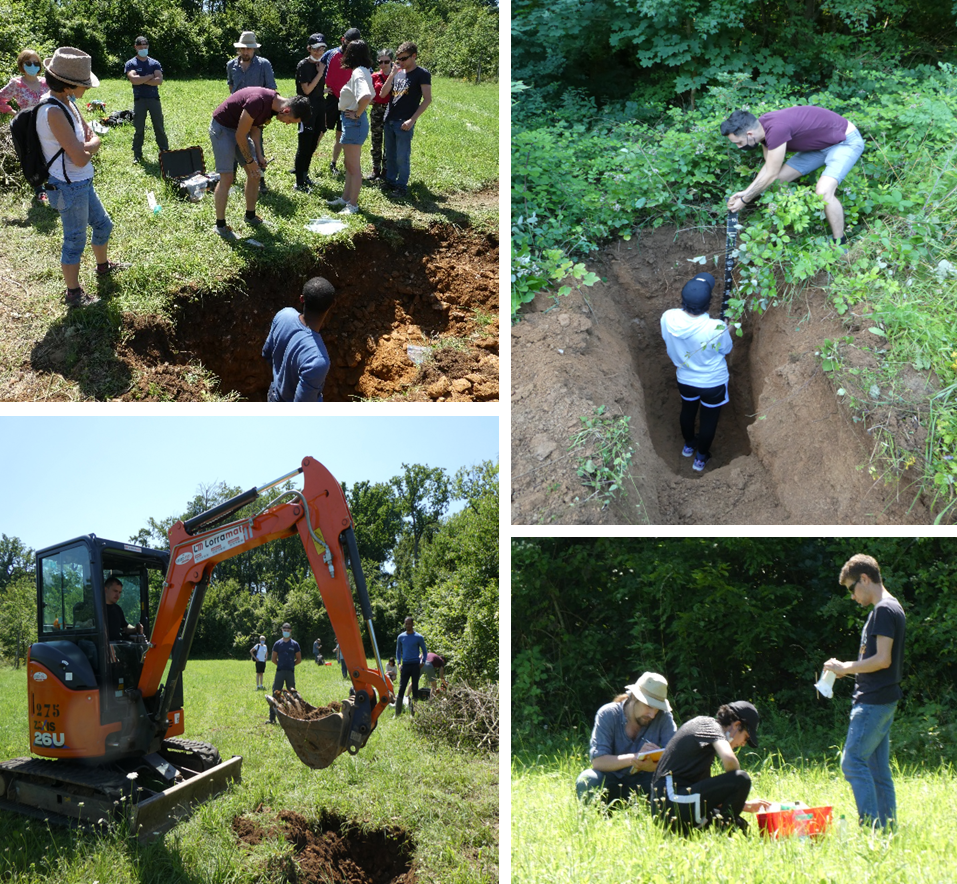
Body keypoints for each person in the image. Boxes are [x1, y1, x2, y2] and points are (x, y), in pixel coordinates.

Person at [39, 47, 127, 308]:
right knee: (74, 240)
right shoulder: (52, 111)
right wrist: (93, 146)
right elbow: (80, 156)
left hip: (82, 181)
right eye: (82, 85)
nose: (86, 89)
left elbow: (88, 135)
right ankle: (74, 294)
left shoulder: (69, 104)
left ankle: (103, 266)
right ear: (67, 85)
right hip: (68, 186)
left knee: (103, 225)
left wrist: (89, 144)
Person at [823, 553, 905, 831]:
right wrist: (844, 669)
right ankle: (887, 830)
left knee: (852, 762)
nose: (852, 596)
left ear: (865, 579)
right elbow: (878, 661)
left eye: (851, 589)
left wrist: (845, 667)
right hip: (883, 700)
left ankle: (871, 829)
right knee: (878, 772)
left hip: (872, 703)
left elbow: (883, 660)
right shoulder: (891, 608)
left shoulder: (883, 610)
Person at [720, 107, 865, 245]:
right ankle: (789, 221)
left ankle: (839, 243)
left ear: (750, 134)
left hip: (845, 141)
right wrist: (745, 192)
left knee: (823, 191)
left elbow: (771, 174)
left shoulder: (776, 129)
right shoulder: (762, 130)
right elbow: (770, 169)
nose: (739, 147)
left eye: (739, 142)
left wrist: (745, 200)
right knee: (777, 182)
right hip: (819, 146)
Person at [652, 701, 770, 834]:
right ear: (737, 725)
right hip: (671, 800)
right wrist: (736, 787)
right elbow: (730, 760)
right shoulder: (709, 725)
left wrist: (745, 805)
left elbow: (712, 798)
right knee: (741, 778)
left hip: (678, 802)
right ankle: (724, 836)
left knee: (741, 826)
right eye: (746, 737)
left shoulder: (705, 741)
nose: (743, 744)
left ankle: (704, 834)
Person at [209, 86, 310, 238]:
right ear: (287, 111)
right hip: (223, 128)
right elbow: (240, 136)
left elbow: (255, 129)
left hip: (239, 130)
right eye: (290, 121)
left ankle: (250, 216)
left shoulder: (274, 106)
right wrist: (250, 161)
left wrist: (258, 155)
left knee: (255, 174)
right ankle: (220, 226)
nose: (287, 124)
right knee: (227, 178)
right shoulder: (258, 101)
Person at [660, 272, 733, 472]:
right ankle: (700, 458)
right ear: (708, 303)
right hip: (713, 383)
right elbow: (726, 350)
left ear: (682, 300)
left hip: (685, 378)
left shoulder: (668, 317)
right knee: (709, 419)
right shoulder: (715, 327)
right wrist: (726, 329)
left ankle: (689, 445)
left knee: (688, 410)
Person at [576, 672, 677, 806]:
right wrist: (635, 758)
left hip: (646, 781)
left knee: (674, 781)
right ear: (634, 697)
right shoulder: (608, 714)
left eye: (657, 708)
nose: (652, 714)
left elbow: (675, 760)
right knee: (587, 779)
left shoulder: (664, 717)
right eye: (649, 706)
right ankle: (600, 814)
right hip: (611, 780)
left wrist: (651, 766)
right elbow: (598, 761)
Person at [262, 276, 336, 402]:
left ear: (302, 299)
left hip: (273, 394)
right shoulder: (318, 360)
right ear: (332, 305)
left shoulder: (284, 314)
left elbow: (266, 353)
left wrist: (282, 377)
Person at [379, 41, 432, 197]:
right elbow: (382, 94)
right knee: (390, 155)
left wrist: (412, 120)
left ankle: (401, 186)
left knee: (402, 156)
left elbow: (427, 99)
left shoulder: (422, 74)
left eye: (404, 59)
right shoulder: (397, 72)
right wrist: (392, 75)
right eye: (398, 59)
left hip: (404, 121)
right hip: (389, 118)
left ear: (414, 56)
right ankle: (390, 181)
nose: (400, 62)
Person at [227, 31, 277, 194]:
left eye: (249, 49)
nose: (245, 52)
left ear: (254, 49)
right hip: (235, 114)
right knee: (233, 144)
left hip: (256, 114)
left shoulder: (264, 65)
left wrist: (265, 115)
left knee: (256, 147)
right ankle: (231, 179)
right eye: (243, 48)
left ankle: (260, 180)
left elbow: (271, 90)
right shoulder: (231, 65)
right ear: (239, 49)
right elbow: (231, 87)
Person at [327, 39, 373, 215]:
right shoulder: (362, 71)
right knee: (348, 164)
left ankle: (352, 204)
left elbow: (366, 96)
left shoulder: (359, 73)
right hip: (351, 122)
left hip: (354, 122)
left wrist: (357, 113)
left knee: (354, 167)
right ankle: (345, 198)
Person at [124, 36, 169, 163]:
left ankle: (164, 151)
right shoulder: (131, 63)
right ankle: (137, 155)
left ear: (148, 46)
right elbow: (134, 80)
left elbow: (159, 81)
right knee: (139, 128)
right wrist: (150, 76)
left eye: (145, 46)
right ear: (135, 47)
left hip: (154, 99)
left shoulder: (154, 63)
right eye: (140, 46)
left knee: (159, 127)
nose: (143, 48)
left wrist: (142, 79)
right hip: (139, 100)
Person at [293, 34, 327, 192]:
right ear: (309, 48)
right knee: (304, 145)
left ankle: (305, 175)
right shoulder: (304, 65)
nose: (319, 51)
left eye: (322, 48)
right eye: (316, 48)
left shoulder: (320, 64)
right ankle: (299, 182)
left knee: (313, 143)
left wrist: (325, 90)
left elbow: (315, 89)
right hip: (306, 110)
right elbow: (306, 90)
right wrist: (320, 74)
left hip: (320, 107)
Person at [267, 622, 302, 724]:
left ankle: (293, 716)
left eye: (288, 630)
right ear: (282, 631)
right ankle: (272, 718)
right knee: (276, 693)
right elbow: (273, 659)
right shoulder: (277, 644)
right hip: (280, 672)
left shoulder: (295, 644)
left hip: (290, 672)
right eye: (284, 630)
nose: (286, 632)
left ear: (290, 631)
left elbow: (299, 659)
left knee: (292, 694)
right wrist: (281, 665)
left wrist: (290, 665)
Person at [394, 616, 427, 717]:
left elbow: (424, 651)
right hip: (405, 665)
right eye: (406, 623)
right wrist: (399, 663)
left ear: (413, 624)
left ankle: (413, 713)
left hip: (415, 665)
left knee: (415, 688)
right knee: (401, 688)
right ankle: (397, 713)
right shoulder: (401, 637)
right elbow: (398, 652)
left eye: (409, 623)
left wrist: (423, 661)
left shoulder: (418, 637)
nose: (408, 625)